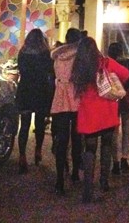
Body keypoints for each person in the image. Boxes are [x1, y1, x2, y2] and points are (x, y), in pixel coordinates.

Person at [71, 36, 129, 204]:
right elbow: (126, 74)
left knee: (89, 149)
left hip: (88, 114)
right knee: (106, 145)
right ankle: (104, 181)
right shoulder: (105, 62)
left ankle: (88, 187)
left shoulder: (79, 65)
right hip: (107, 111)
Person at [15, 28, 55, 174]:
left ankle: (22, 156)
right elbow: (50, 72)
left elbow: (21, 70)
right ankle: (38, 151)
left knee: (24, 125)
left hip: (25, 90)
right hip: (40, 91)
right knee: (39, 124)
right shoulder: (46, 54)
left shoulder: (22, 53)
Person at [50, 27, 83, 196]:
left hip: (60, 97)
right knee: (77, 138)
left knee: (61, 139)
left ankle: (59, 180)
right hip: (76, 97)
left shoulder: (57, 55)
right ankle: (76, 172)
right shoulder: (80, 55)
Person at [107, 41, 129, 175]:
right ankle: (124, 158)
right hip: (126, 100)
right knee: (126, 129)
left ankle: (115, 162)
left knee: (113, 132)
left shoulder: (107, 63)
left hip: (112, 101)